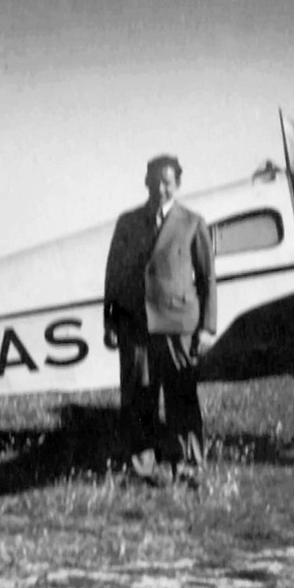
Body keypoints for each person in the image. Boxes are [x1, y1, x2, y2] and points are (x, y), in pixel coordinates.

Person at [103, 154, 217, 486]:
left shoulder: (193, 222)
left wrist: (207, 327)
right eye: (154, 181)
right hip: (135, 324)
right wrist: (110, 322)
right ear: (145, 182)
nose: (160, 188)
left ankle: (189, 465)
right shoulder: (127, 222)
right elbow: (114, 274)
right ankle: (143, 467)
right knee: (139, 396)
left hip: (179, 324)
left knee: (182, 395)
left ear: (178, 184)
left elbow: (208, 278)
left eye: (167, 182)